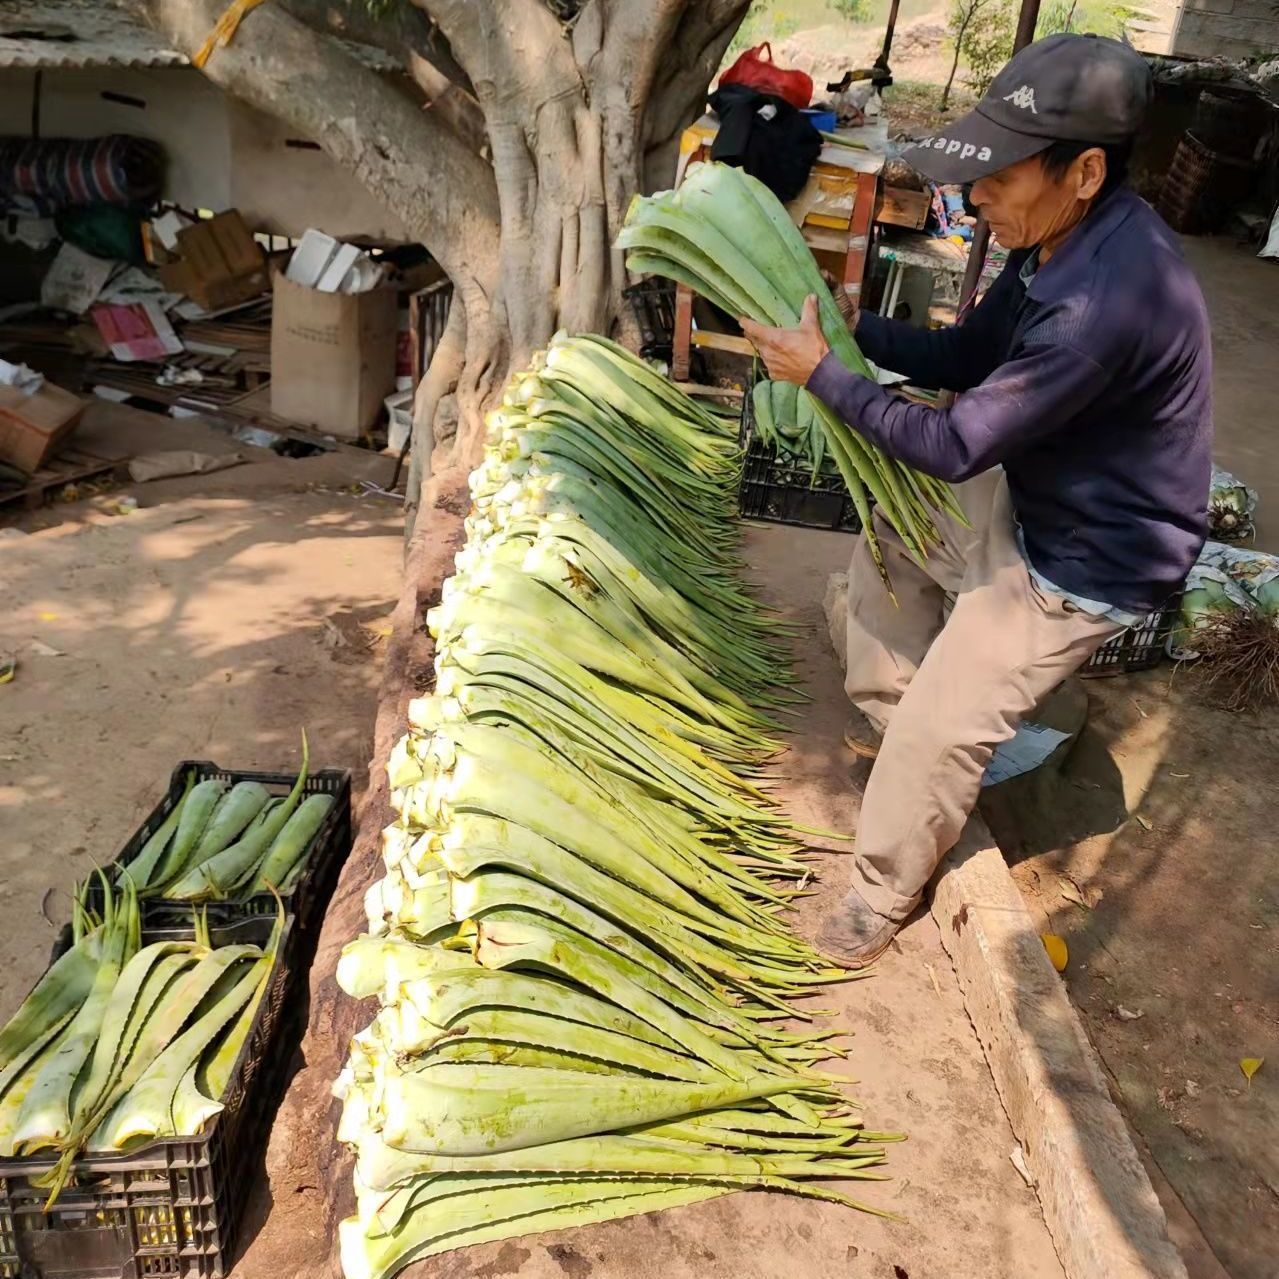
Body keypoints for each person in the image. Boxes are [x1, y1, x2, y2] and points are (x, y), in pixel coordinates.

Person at [740, 32, 1212, 967]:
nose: (975, 193)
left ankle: (879, 892)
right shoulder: (1057, 244)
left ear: (1082, 171)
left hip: (1086, 558)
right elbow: (963, 360)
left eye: (1000, 172)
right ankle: (909, 720)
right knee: (893, 530)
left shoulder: (1101, 303)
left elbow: (955, 445)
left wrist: (824, 376)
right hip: (1044, 498)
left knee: (941, 730)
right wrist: (841, 328)